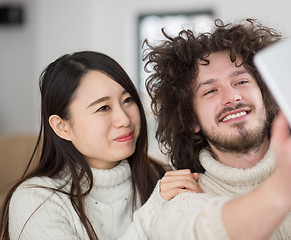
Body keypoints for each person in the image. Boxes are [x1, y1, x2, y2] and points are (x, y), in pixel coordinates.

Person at [143, 18, 291, 239]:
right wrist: (284, 188)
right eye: (210, 91)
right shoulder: (183, 200)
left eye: (240, 82)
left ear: (266, 97)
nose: (232, 97)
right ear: (192, 121)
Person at [0, 51, 202, 240]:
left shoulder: (164, 180)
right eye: (103, 107)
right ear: (62, 127)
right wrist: (153, 212)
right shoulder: (36, 200)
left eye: (128, 100)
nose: (124, 119)